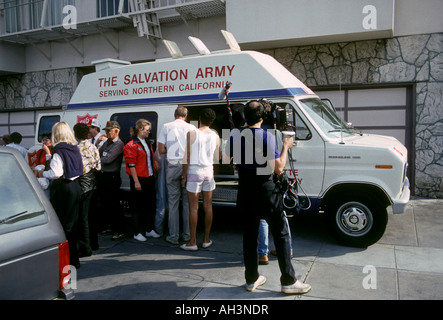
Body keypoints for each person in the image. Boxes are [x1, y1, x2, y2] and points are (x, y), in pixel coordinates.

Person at [225, 100, 311, 294]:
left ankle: (251, 278)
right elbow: (278, 167)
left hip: (245, 190)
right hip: (266, 190)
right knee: (280, 234)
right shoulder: (267, 137)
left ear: (245, 116)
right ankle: (288, 280)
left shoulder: (234, 136)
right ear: (262, 118)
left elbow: (227, 156)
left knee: (249, 235)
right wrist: (286, 146)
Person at [34, 122, 83, 268]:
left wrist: (42, 173)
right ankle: (73, 260)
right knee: (72, 226)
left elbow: (56, 173)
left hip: (64, 189)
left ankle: (64, 261)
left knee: (62, 226)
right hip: (75, 187)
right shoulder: (74, 148)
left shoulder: (59, 149)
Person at [180, 108, 220, 251]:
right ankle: (206, 240)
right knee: (208, 206)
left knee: (193, 208)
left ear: (200, 118)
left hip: (194, 172)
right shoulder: (215, 135)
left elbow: (187, 157)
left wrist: (184, 176)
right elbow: (218, 157)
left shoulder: (192, 133)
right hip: (208, 172)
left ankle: (192, 242)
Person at [157, 107, 196, 245]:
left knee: (173, 203)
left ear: (175, 115)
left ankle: (173, 236)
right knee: (187, 203)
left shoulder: (166, 126)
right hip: (189, 166)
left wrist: (172, 149)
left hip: (173, 165)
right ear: (186, 116)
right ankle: (187, 235)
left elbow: (161, 150)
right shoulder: (192, 127)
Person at [123, 119, 160, 242]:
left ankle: (149, 230)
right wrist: (136, 181)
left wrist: (154, 163)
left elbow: (148, 157)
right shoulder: (131, 145)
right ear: (140, 129)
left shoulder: (147, 143)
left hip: (149, 177)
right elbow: (131, 164)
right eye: (147, 130)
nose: (149, 132)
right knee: (137, 206)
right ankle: (136, 232)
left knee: (150, 204)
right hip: (139, 178)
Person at [73, 123, 101, 257]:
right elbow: (98, 166)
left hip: (82, 183)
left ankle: (85, 248)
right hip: (93, 182)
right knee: (92, 216)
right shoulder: (93, 146)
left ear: (76, 134)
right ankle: (94, 243)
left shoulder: (75, 148)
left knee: (82, 218)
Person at [98, 121, 125, 240]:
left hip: (112, 177)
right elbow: (98, 154)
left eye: (109, 130)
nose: (107, 133)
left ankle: (119, 229)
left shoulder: (118, 144)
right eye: (106, 130)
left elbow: (108, 159)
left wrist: (98, 159)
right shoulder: (106, 143)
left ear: (116, 131)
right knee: (106, 203)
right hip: (104, 176)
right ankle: (110, 226)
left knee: (114, 204)